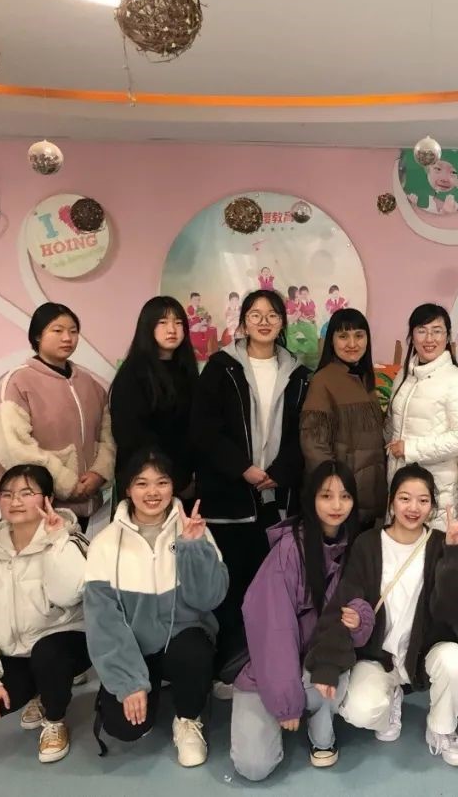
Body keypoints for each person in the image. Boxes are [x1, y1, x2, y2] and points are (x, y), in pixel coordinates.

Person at [306, 463, 458, 767]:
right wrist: (327, 664)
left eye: (423, 500)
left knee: (456, 662)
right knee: (359, 711)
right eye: (404, 498)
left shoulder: (441, 543)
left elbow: (453, 612)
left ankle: (442, 729)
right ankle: (390, 700)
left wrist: (454, 553)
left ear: (432, 506)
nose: (413, 508)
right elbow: (344, 604)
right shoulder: (368, 543)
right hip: (378, 655)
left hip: (423, 652)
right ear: (391, 502)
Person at [191, 289, 310, 685]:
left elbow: (303, 433)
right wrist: (243, 469)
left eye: (272, 314)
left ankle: (264, 667)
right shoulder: (220, 368)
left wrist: (280, 471)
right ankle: (228, 668)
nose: (264, 321)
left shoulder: (299, 374)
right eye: (255, 314)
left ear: (282, 322)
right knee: (230, 588)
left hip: (277, 499)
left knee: (271, 590)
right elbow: (205, 431)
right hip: (230, 500)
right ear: (242, 322)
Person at [84, 450, 228, 767]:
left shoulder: (193, 528)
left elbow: (210, 600)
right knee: (125, 728)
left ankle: (188, 718)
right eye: (142, 483)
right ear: (127, 489)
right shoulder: (104, 544)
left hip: (181, 640)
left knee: (195, 651)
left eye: (162, 482)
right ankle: (144, 689)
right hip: (133, 646)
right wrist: (129, 683)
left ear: (173, 486)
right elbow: (102, 622)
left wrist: (193, 547)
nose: (153, 492)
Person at [231, 462, 374, 780]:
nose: (337, 505)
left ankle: (319, 726)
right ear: (311, 499)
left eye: (345, 496)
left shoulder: (357, 547)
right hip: (271, 667)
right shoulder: (289, 550)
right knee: (254, 767)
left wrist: (359, 621)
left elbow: (364, 609)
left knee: (330, 678)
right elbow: (273, 629)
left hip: (318, 664)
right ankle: (284, 706)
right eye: (326, 495)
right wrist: (285, 702)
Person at [0, 464, 89, 764]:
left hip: (66, 642)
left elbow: (69, 595)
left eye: (27, 493)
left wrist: (56, 541)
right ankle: (38, 692)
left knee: (48, 654)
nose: (15, 501)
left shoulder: (70, 540)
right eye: (7, 494)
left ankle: (54, 720)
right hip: (15, 650)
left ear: (48, 499)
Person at [0, 302, 115, 532]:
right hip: (36, 506)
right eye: (57, 330)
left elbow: (108, 436)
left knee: (77, 554)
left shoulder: (90, 385)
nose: (67, 338)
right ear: (38, 336)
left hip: (85, 507)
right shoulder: (18, 381)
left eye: (73, 331)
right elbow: (13, 446)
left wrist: (99, 473)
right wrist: (65, 482)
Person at [385, 303, 458, 531]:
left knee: (432, 550)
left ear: (447, 337)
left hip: (437, 493)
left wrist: (410, 449)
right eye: (422, 330)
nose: (429, 339)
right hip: (399, 487)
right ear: (412, 336)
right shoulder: (404, 375)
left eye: (437, 331)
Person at [301, 308, 386, 527]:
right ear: (332, 341)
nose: (352, 343)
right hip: (342, 500)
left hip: (370, 496)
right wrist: (334, 492)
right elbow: (314, 446)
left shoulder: (365, 378)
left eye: (359, 335)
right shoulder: (323, 381)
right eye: (343, 336)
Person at [109, 296, 199, 505]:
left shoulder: (188, 371)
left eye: (178, 323)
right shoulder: (133, 373)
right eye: (163, 322)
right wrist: (173, 479)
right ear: (147, 327)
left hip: (187, 480)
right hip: (147, 483)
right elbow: (132, 435)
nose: (172, 330)